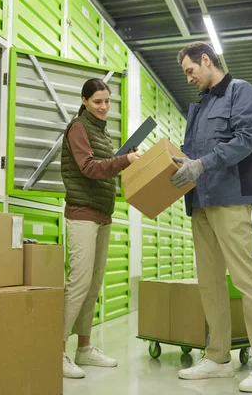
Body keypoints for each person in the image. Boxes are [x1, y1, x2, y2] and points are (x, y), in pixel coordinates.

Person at [170, 42, 252, 393]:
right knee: (210, 282)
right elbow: (194, 153)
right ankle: (217, 357)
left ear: (206, 59)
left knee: (246, 280)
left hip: (230, 199)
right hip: (200, 202)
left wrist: (202, 163)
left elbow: (246, 139)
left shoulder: (239, 91)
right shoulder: (200, 106)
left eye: (190, 70)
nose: (188, 78)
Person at [60, 78, 141, 379]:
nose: (104, 106)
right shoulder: (78, 128)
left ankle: (84, 348)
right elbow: (89, 168)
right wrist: (124, 160)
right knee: (78, 284)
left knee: (93, 285)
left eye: (107, 101)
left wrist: (124, 157)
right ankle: (57, 351)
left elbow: (106, 165)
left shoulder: (101, 133)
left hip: (102, 214)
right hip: (82, 214)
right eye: (97, 101)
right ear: (84, 101)